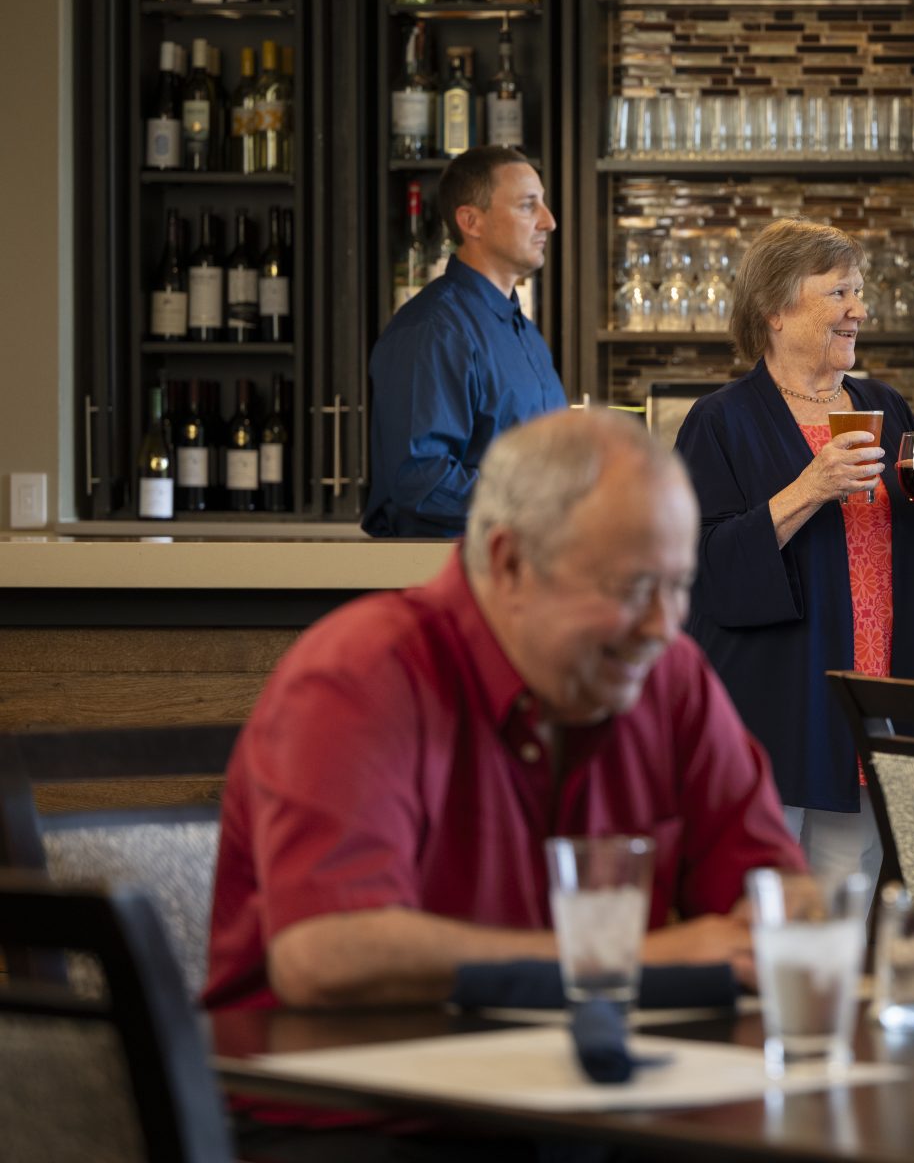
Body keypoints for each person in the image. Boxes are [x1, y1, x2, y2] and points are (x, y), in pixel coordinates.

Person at [205, 408, 804, 1021]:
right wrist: (631, 960)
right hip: (351, 1102)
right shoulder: (361, 675)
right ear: (512, 564)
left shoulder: (670, 677)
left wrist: (784, 921)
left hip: (577, 1096)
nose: (662, 627)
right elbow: (327, 957)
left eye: (678, 588)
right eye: (630, 588)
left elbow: (777, 889)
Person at [674, 219, 914, 887]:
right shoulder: (719, 421)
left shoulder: (885, 406)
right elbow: (704, 565)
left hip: (877, 694)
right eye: (838, 292)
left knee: (853, 886)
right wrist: (809, 488)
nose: (858, 309)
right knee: (763, 895)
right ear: (775, 310)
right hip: (777, 700)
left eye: (858, 291)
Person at [363, 146, 568, 538]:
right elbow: (422, 480)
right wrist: (537, 507)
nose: (549, 221)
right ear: (471, 221)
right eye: (529, 206)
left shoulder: (525, 334)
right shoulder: (433, 329)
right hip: (450, 579)